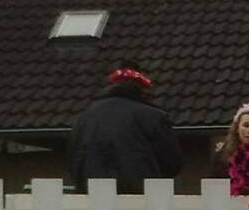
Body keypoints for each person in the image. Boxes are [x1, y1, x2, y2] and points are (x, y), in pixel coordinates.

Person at [68, 63, 184, 194]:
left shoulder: (86, 116)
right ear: (143, 89)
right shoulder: (153, 116)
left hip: (92, 195)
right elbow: (172, 163)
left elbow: (73, 157)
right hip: (140, 196)